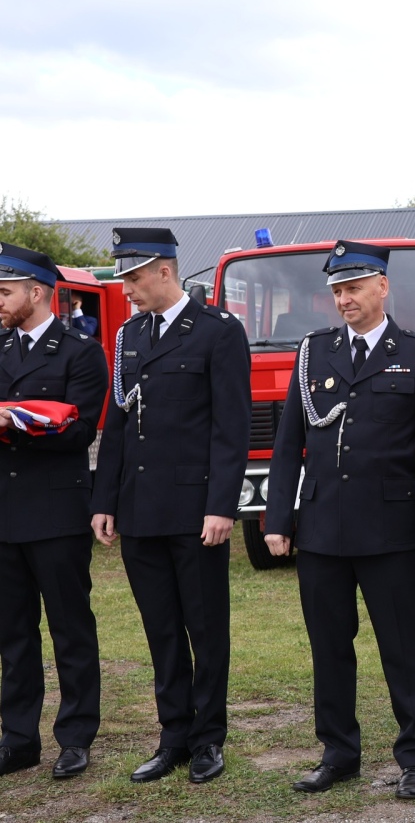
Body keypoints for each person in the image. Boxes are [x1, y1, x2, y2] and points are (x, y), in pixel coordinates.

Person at [263, 240, 415, 800]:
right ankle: (338, 752)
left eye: (353, 287)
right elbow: (287, 443)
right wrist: (278, 519)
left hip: (390, 530)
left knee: (403, 645)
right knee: (329, 646)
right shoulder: (313, 352)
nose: (343, 299)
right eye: (337, 290)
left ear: (382, 287)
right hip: (321, 527)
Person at [90, 227, 251, 785]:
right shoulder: (130, 336)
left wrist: (221, 506)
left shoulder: (217, 333)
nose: (126, 289)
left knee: (205, 629)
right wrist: (104, 499)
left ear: (165, 270)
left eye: (134, 278)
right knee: (161, 629)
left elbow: (231, 429)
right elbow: (118, 423)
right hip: (140, 508)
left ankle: (208, 740)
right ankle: (173, 736)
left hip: (194, 507)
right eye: (123, 279)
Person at [0, 244, 108, 779]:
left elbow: (77, 430)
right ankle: (18, 739)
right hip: (4, 514)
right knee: (12, 634)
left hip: (57, 512)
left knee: (70, 629)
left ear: (36, 292)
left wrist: (15, 422)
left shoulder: (80, 353)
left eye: (4, 291)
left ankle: (75, 735)